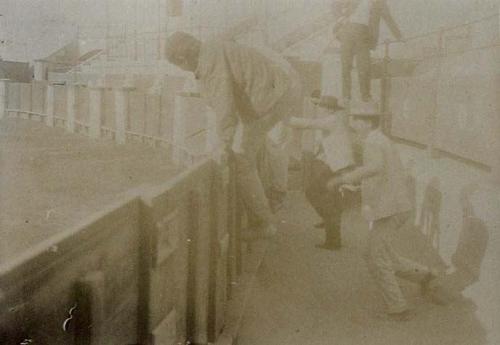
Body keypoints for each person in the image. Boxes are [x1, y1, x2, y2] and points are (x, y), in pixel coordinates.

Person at [164, 32, 302, 240]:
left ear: (183, 59)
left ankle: (264, 224)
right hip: (276, 93)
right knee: (246, 150)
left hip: (270, 99)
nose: (185, 70)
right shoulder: (212, 48)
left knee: (242, 159)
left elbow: (224, 105)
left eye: (180, 66)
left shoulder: (209, 62)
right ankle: (267, 212)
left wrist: (224, 144)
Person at [328, 103, 436, 320]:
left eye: (357, 120)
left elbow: (374, 168)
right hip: (393, 206)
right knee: (381, 253)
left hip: (390, 209)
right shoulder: (379, 139)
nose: (354, 124)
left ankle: (399, 307)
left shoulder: (373, 142)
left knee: (375, 256)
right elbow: (381, 174)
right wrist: (357, 186)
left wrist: (344, 178)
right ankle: (425, 276)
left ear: (368, 122)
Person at [288, 91, 356, 250]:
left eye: (323, 107)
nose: (320, 109)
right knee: (330, 198)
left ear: (331, 110)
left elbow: (308, 124)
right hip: (339, 163)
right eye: (320, 106)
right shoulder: (333, 119)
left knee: (313, 192)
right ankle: (331, 229)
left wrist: (285, 119)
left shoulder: (331, 120)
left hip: (337, 165)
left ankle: (331, 233)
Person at [333, 0, 402, 104]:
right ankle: (346, 96)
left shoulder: (379, 2)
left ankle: (365, 96)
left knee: (364, 66)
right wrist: (340, 18)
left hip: (364, 34)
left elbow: (388, 18)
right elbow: (335, 4)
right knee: (346, 65)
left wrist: (399, 36)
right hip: (347, 31)